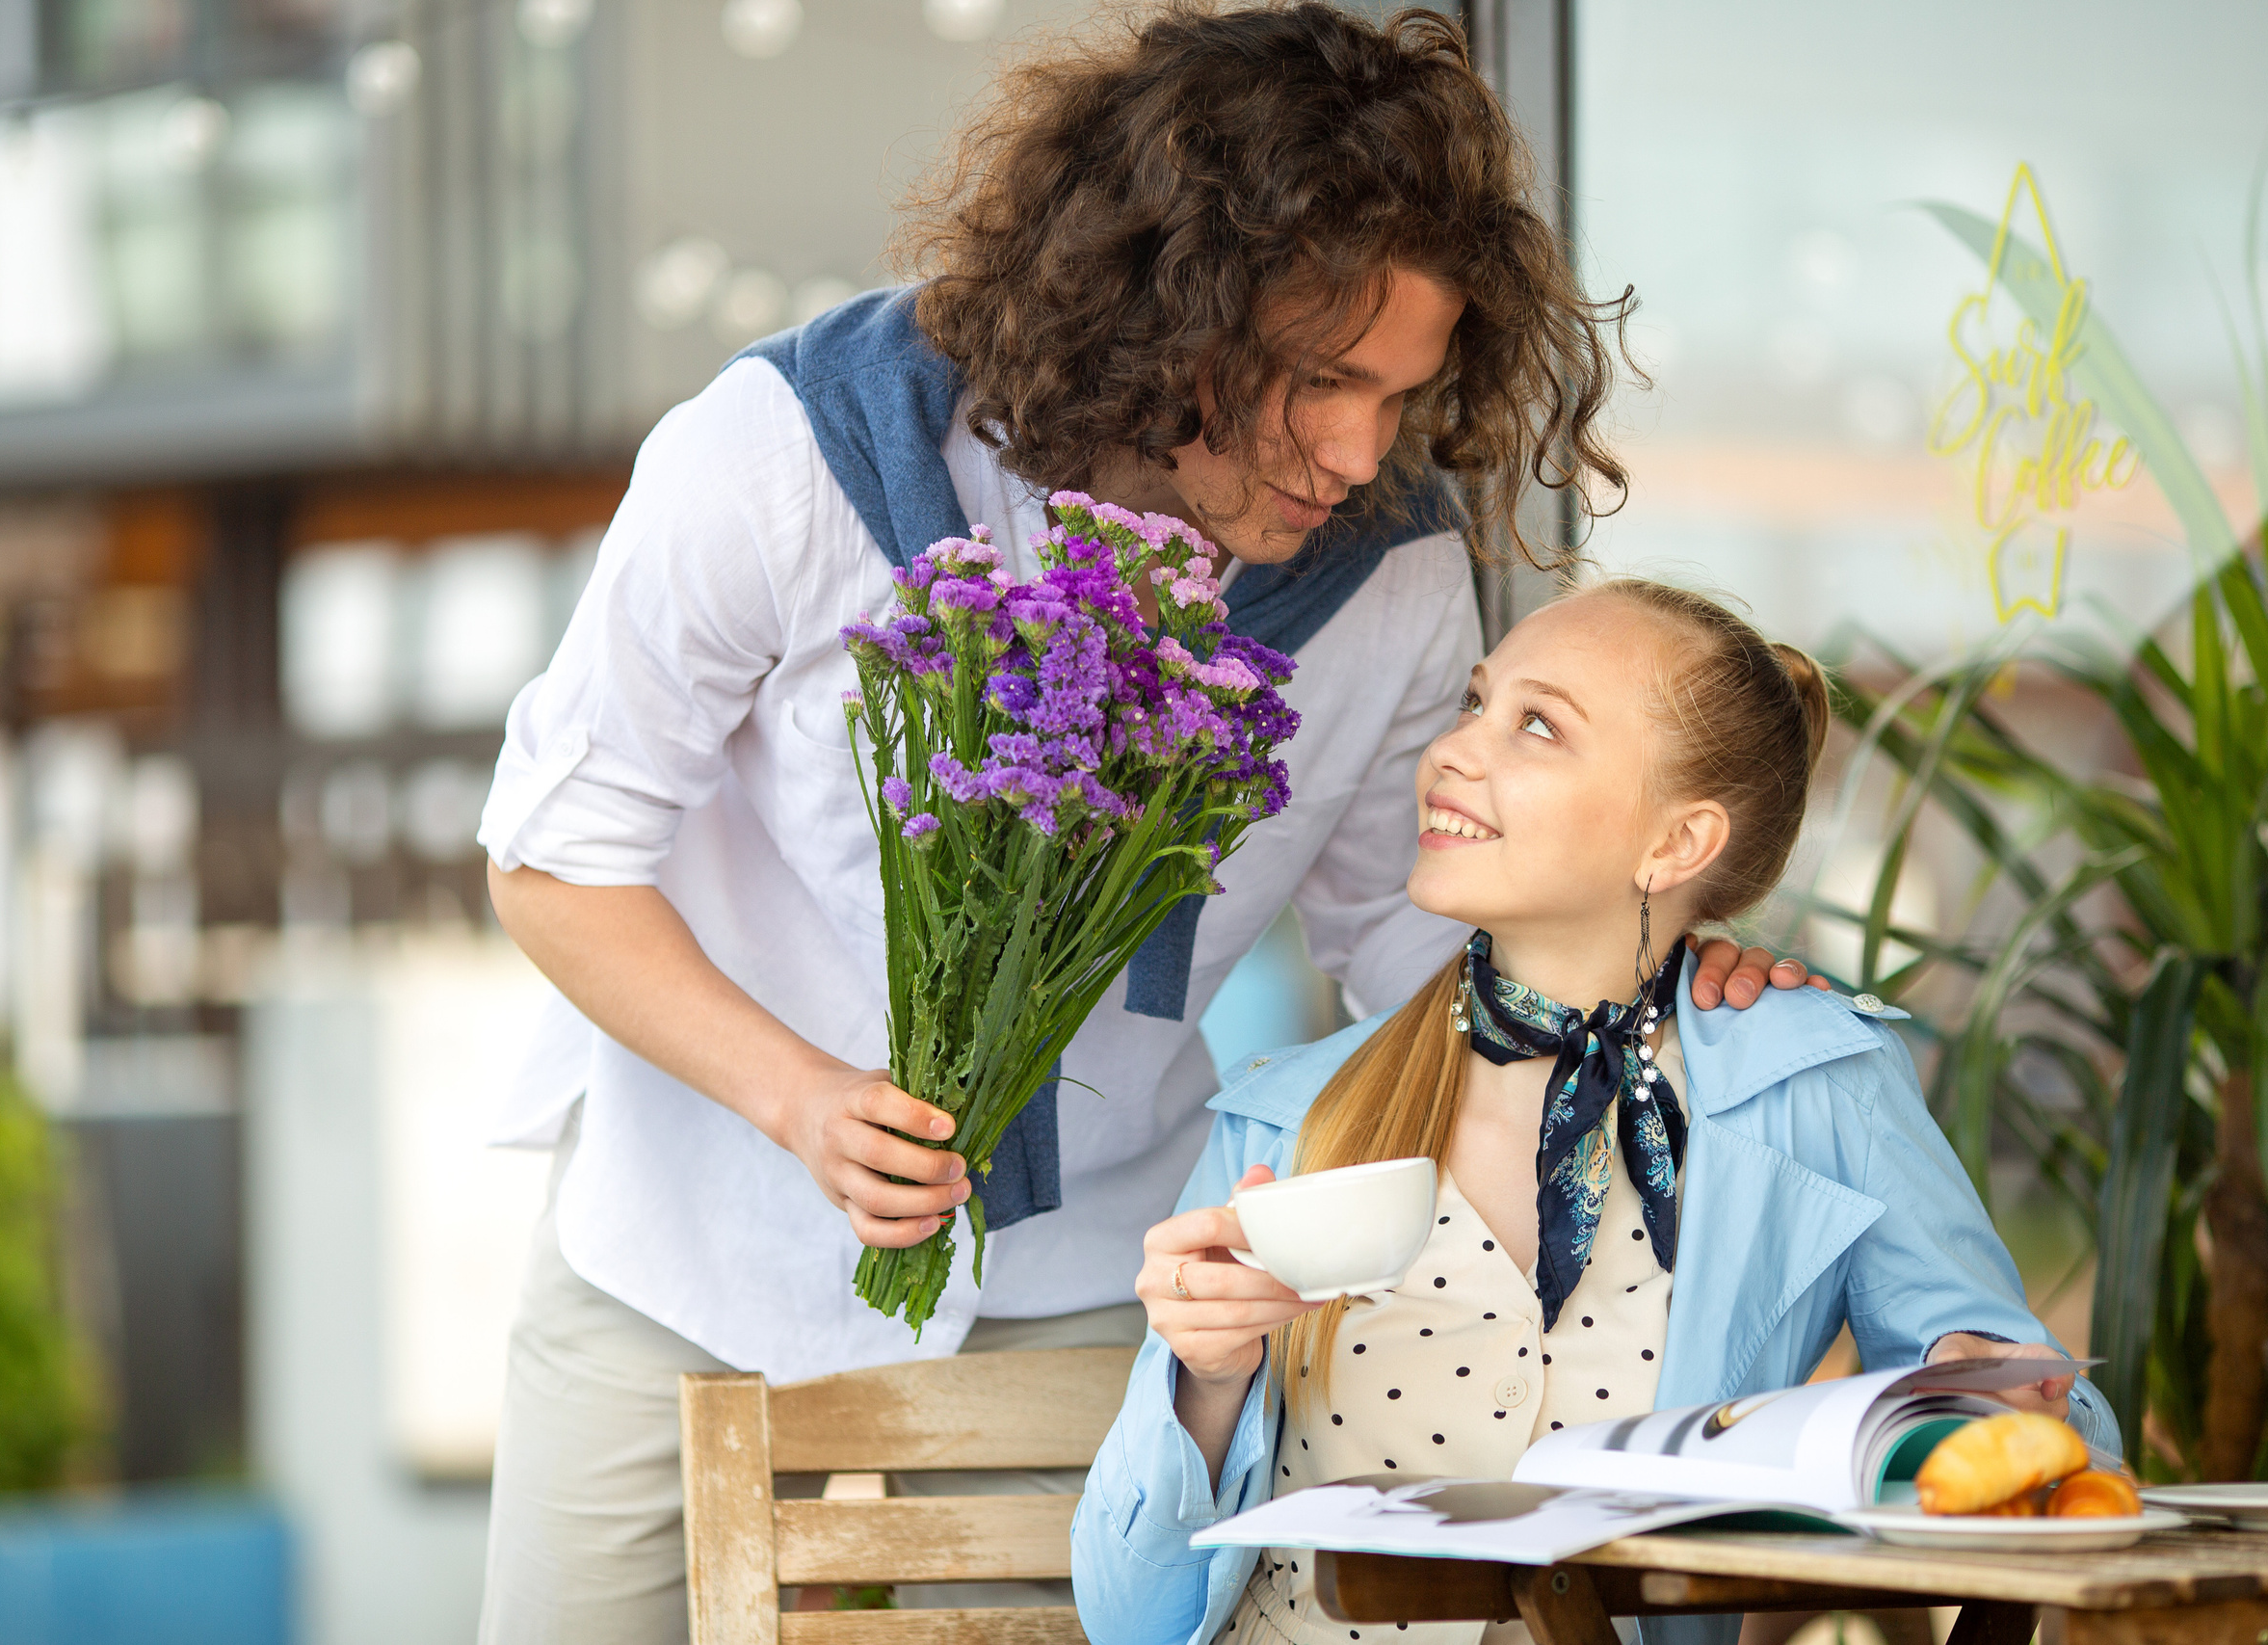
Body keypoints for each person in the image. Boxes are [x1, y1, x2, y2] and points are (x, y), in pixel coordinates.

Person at [472, 6, 1808, 1638]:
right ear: (1156, 306)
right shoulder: (784, 455)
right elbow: (554, 856)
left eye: (1399, 392)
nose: (1360, 452)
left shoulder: (1393, 576)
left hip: (1088, 1277)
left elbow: (1424, 955)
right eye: (1319, 384)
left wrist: (1657, 992)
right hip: (682, 1257)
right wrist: (804, 1100)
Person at [1071, 579, 2121, 1645]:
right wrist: (1205, 1383)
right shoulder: (1285, 1116)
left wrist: (1971, 1391)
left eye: (1534, 725)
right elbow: (1130, 1624)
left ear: (1675, 845)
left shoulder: (1812, 1085)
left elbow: (2061, 1437)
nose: (1451, 751)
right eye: (1473, 704)